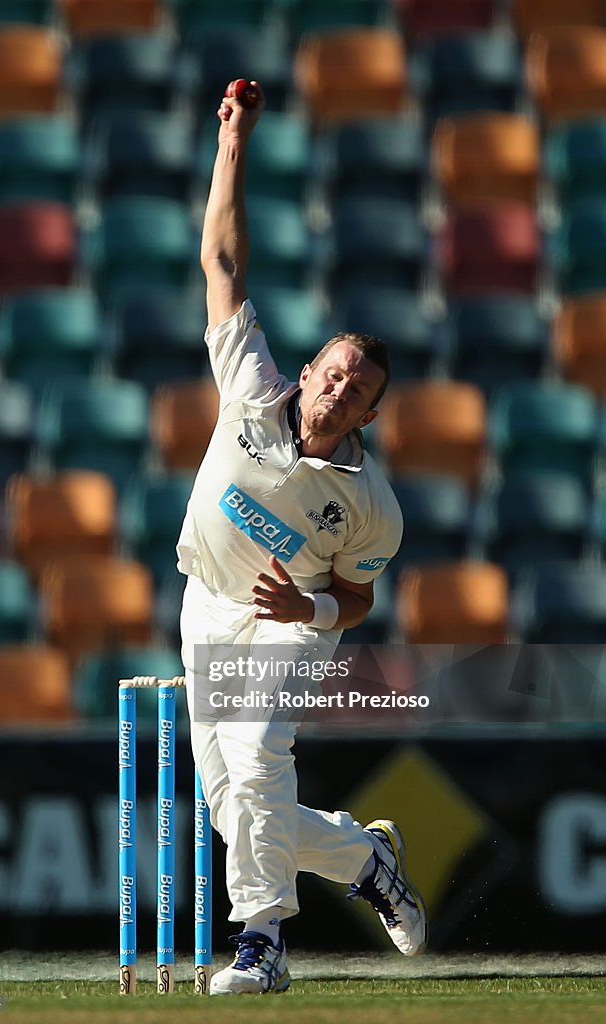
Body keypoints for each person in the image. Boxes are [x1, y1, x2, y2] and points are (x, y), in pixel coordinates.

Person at [177, 79, 427, 996]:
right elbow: (221, 261)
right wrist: (232, 140)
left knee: (254, 761)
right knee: (228, 805)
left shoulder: (371, 508)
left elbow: (357, 599)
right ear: (311, 367)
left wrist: (307, 605)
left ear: (368, 411)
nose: (337, 391)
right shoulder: (250, 387)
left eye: (358, 389)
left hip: (291, 622)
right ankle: (366, 859)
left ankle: (264, 947)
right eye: (333, 373)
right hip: (206, 599)